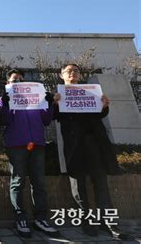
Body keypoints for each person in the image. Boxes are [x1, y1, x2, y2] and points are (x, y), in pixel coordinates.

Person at [53, 63, 133, 240]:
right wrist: (56, 104)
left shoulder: (91, 92)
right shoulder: (59, 95)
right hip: (74, 146)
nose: (72, 73)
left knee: (101, 185)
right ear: (61, 75)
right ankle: (86, 222)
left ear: (80, 75)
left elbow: (100, 115)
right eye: (69, 71)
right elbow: (55, 117)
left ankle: (109, 224)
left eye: (76, 71)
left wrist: (104, 105)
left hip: (95, 144)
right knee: (79, 186)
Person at [0, 69, 59, 238]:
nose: (19, 83)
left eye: (21, 80)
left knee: (39, 182)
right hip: (16, 145)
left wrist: (50, 103)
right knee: (18, 180)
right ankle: (20, 217)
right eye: (15, 80)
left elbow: (46, 121)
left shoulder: (36, 99)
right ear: (7, 83)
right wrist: (5, 105)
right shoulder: (3, 100)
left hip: (36, 144)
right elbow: (3, 121)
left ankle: (41, 218)